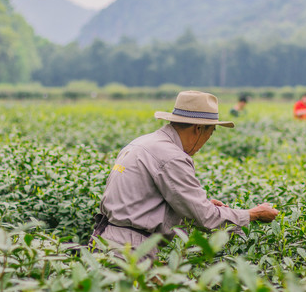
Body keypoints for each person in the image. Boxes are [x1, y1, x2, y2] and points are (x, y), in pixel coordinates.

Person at [90, 91, 279, 259]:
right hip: (129, 250)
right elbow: (206, 218)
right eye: (210, 133)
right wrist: (253, 214)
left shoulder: (142, 143)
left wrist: (195, 206)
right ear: (198, 129)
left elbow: (143, 201)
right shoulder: (172, 156)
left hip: (106, 241)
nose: (207, 140)